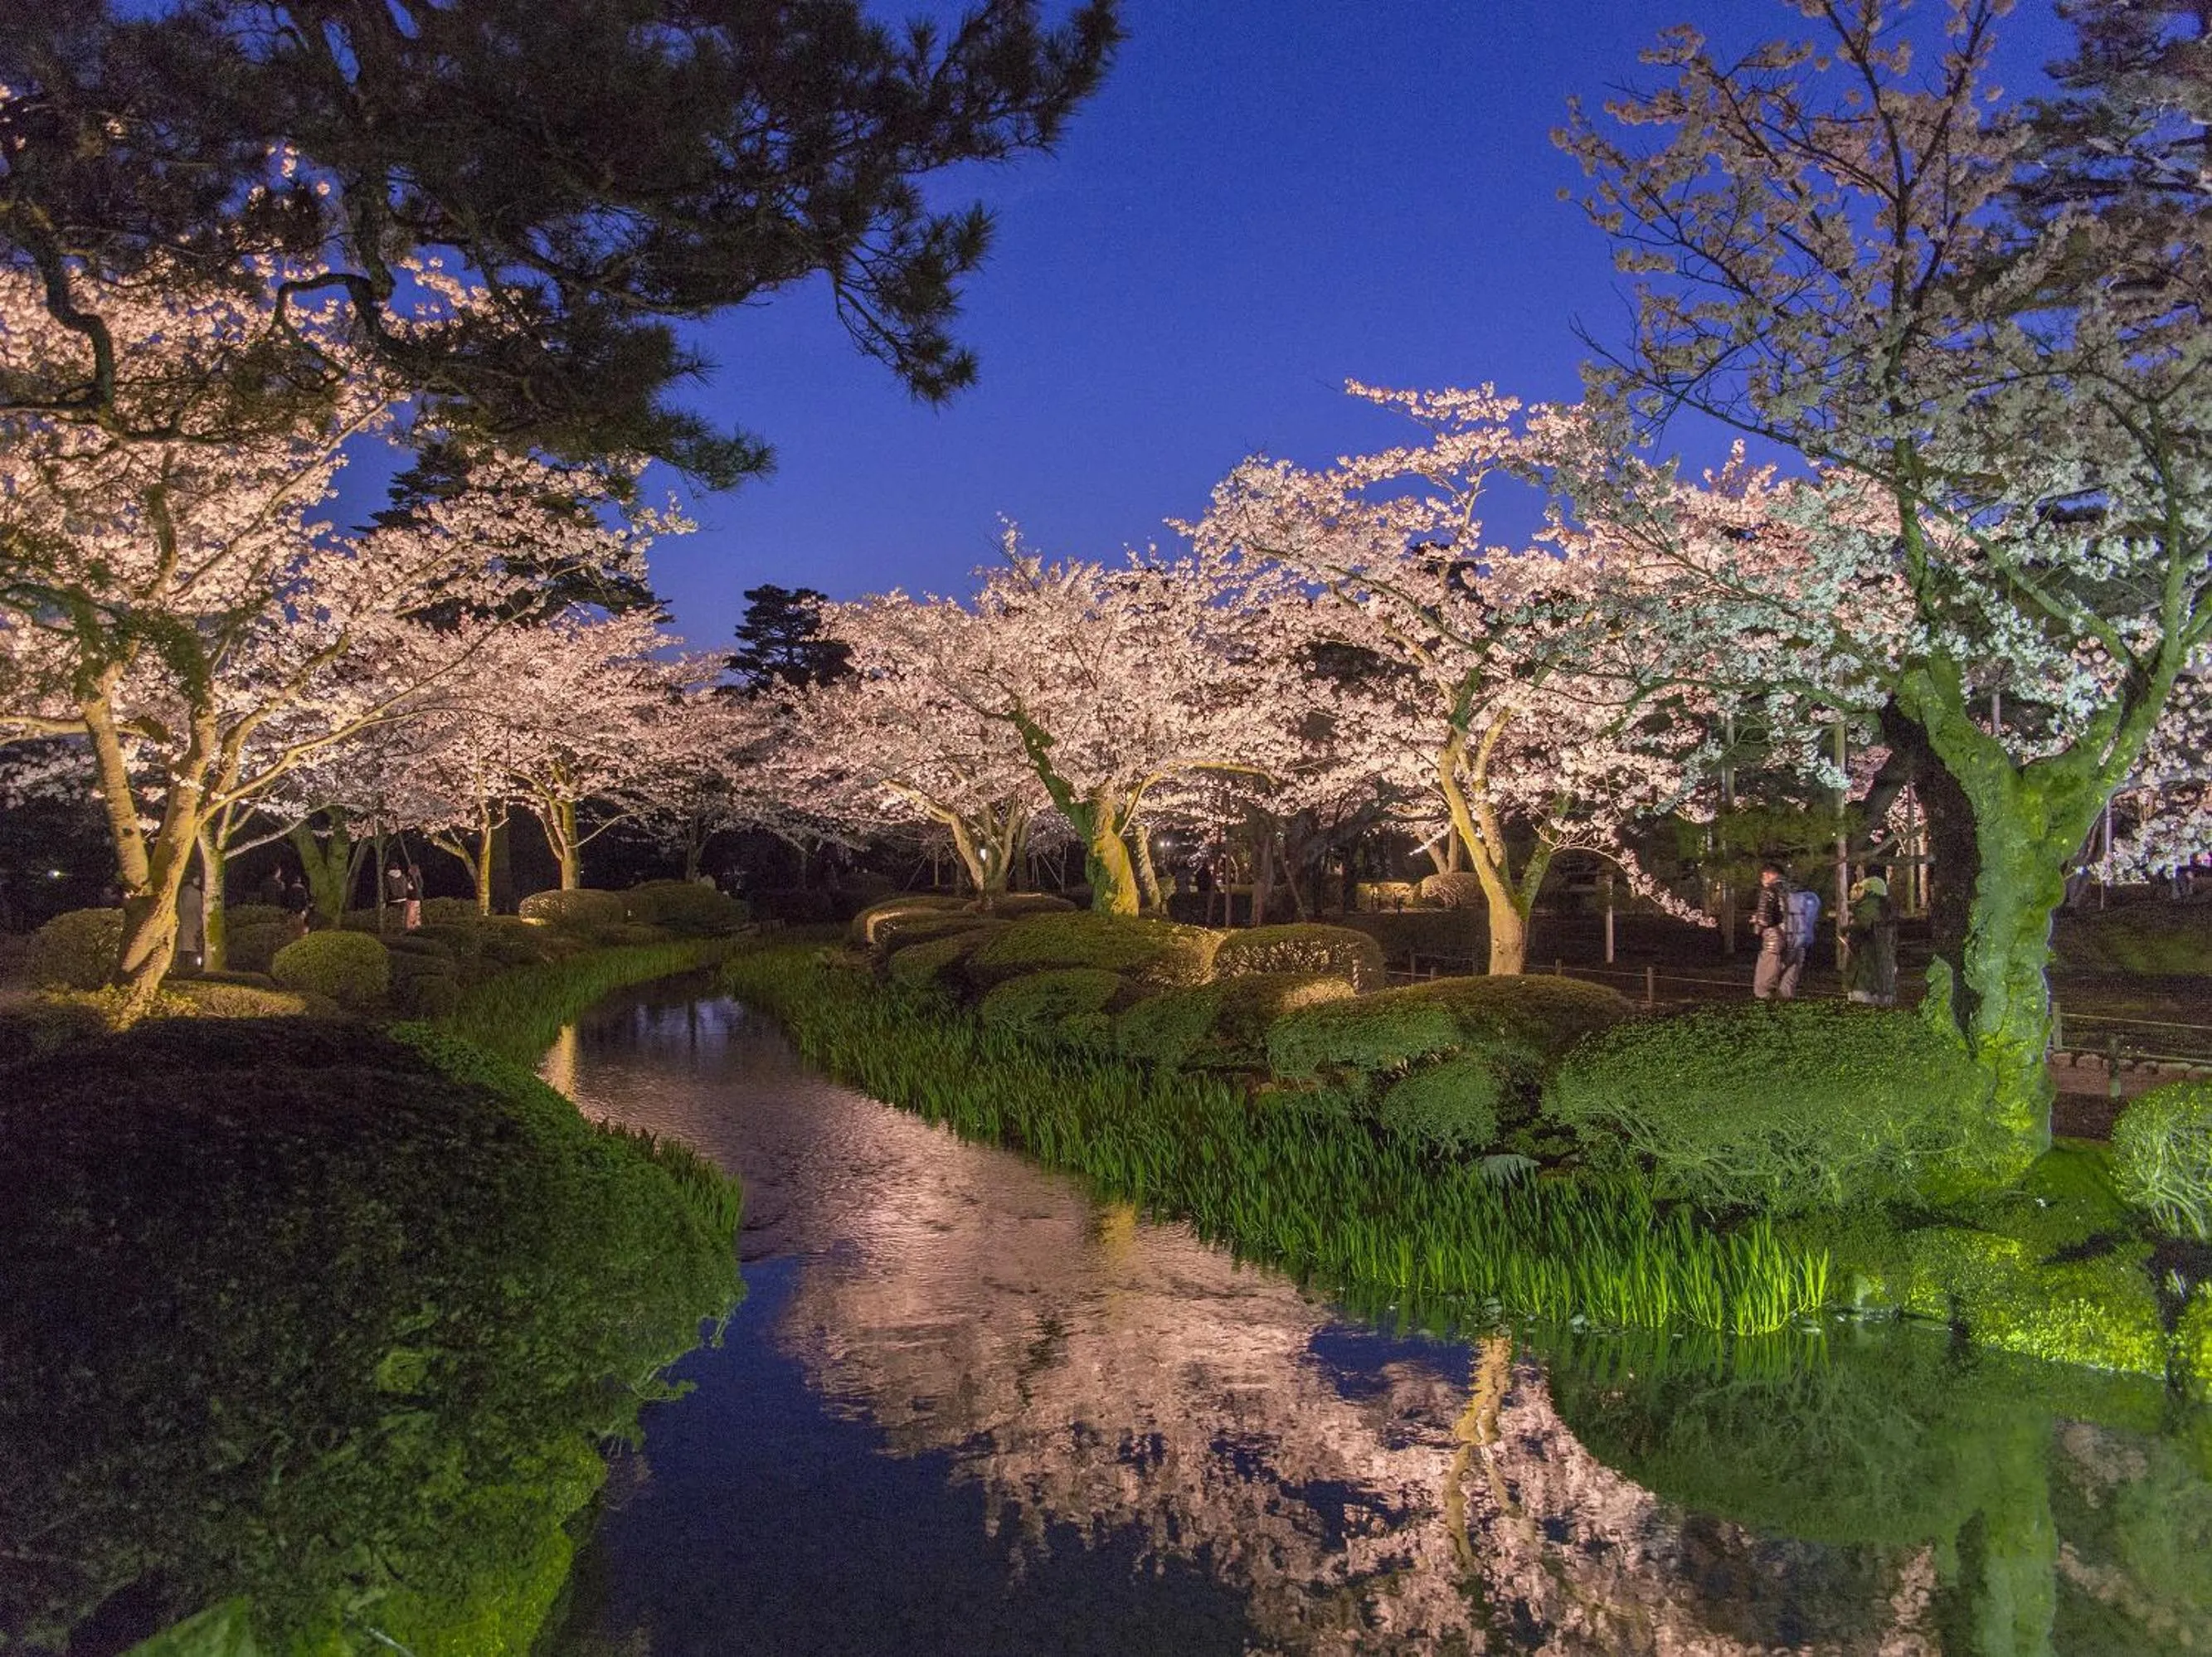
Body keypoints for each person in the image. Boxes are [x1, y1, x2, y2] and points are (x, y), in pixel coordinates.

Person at [1750, 861, 1806, 1000]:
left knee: (1764, 987)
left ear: (1768, 875)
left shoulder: (1769, 890)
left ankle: (1765, 1018)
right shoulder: (1798, 890)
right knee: (1786, 989)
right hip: (1798, 943)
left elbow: (1764, 919)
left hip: (1775, 942)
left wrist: (1756, 923)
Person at [1844, 873, 1899, 1007]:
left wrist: (1846, 932)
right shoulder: (1889, 912)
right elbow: (1893, 944)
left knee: (1861, 1020)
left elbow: (1855, 942)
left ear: (1869, 892)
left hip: (1864, 981)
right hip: (1886, 981)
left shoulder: (1865, 910)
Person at [176, 874, 205, 972]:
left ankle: (183, 969)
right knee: (191, 948)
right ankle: (190, 969)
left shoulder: (185, 890)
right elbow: (198, 910)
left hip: (187, 924)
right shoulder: (193, 892)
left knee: (186, 948)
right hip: (192, 924)